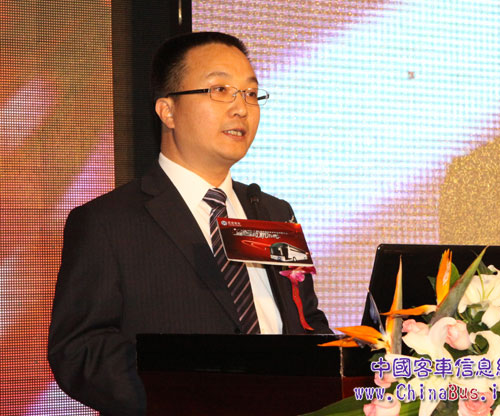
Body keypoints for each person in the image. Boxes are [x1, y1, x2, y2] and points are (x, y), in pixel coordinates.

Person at [48, 31, 331, 415]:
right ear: (168, 111)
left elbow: (306, 323)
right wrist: (190, 394)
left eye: (251, 93)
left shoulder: (273, 213)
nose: (241, 108)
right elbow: (80, 351)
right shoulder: (107, 222)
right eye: (220, 90)